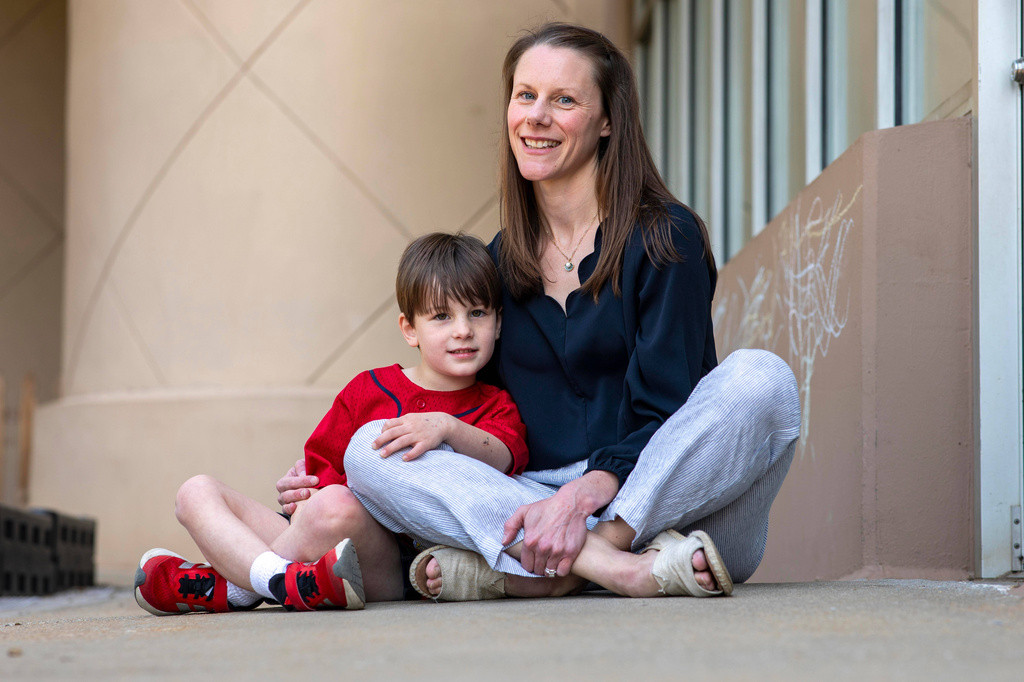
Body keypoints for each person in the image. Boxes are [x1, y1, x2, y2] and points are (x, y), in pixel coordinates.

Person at [278, 22, 801, 601]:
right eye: (525, 95)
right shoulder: (499, 263)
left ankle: (564, 562)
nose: (536, 116)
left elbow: (670, 406)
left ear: (607, 122)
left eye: (565, 100)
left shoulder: (663, 238)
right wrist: (322, 477)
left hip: (671, 501)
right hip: (530, 503)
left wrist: (583, 500)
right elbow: (465, 399)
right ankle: (608, 569)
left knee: (763, 379)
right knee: (369, 447)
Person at [134, 232, 528, 615]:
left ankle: (231, 588)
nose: (463, 329)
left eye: (477, 313)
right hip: (316, 545)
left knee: (335, 506)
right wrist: (301, 489)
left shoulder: (495, 404)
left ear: (497, 322)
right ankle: (281, 581)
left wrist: (448, 427)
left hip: (386, 564)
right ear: (410, 329)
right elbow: (317, 480)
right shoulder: (368, 389)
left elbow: (505, 460)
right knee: (194, 492)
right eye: (442, 316)